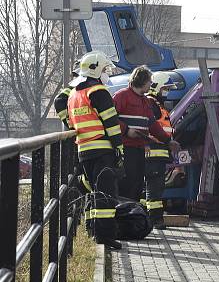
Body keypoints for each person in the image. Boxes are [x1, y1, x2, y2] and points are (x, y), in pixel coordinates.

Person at [67, 52, 124, 250]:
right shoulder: (98, 91)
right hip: (102, 149)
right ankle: (105, 237)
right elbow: (111, 122)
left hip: (84, 150)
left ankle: (92, 230)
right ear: (97, 70)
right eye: (105, 70)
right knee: (105, 194)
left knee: (93, 191)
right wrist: (119, 147)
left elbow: (71, 123)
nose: (107, 74)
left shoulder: (74, 94)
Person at [113, 66, 172, 203]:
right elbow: (110, 118)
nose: (151, 84)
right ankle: (124, 216)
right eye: (149, 81)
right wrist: (126, 130)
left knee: (137, 184)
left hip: (139, 149)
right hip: (126, 149)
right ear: (142, 80)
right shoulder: (121, 96)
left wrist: (168, 141)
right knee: (127, 183)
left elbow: (152, 125)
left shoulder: (145, 101)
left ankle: (132, 216)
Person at [144, 72, 179, 230]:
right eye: (165, 88)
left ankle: (147, 217)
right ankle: (155, 219)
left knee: (154, 188)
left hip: (158, 153)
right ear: (155, 86)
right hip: (153, 153)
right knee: (155, 189)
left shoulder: (156, 104)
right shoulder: (151, 103)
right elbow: (151, 127)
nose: (167, 92)